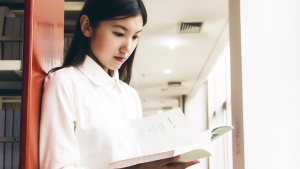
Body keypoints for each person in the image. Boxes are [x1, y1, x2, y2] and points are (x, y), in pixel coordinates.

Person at [39, 0, 199, 168]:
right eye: (119, 34)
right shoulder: (65, 83)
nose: (127, 48)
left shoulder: (130, 96)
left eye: (135, 36)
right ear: (87, 26)